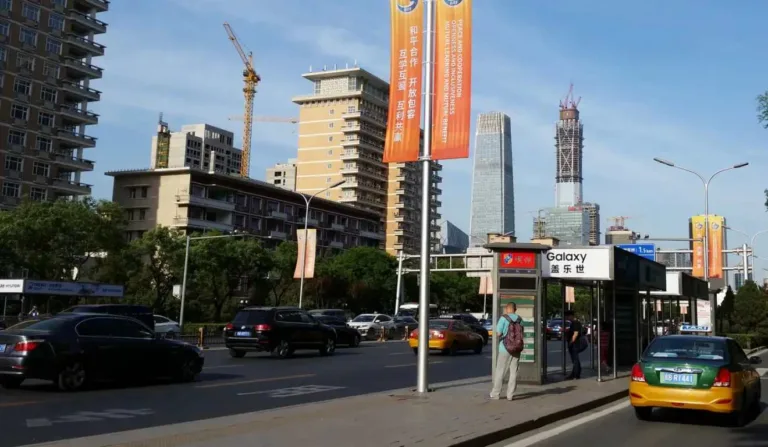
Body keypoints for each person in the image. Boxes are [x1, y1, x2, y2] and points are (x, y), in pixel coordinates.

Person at [490, 303, 522, 400]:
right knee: (514, 372)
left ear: (507, 309)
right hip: (516, 348)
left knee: (500, 371)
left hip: (505, 348)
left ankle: (495, 393)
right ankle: (510, 395)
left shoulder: (503, 318)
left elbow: (499, 333)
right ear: (515, 309)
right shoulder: (520, 319)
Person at [564, 310, 582, 380]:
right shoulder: (574, 323)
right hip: (574, 344)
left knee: (575, 360)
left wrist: (571, 343)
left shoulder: (575, 323)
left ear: (571, 316)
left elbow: (575, 334)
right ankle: (575, 374)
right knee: (575, 360)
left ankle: (576, 375)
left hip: (575, 344)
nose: (566, 318)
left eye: (567, 316)